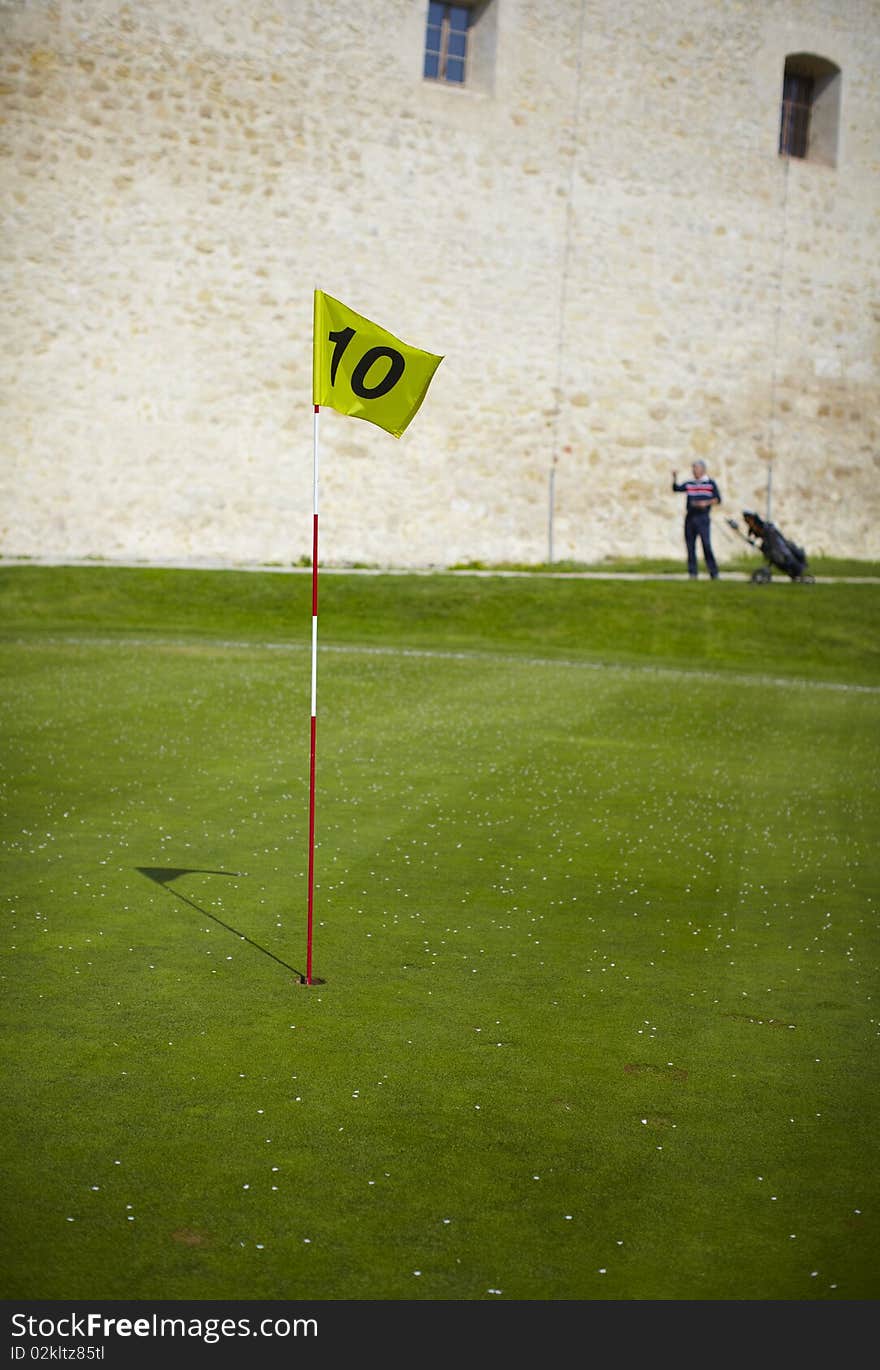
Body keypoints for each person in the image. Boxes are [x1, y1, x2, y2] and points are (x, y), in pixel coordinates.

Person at [672, 460, 722, 579]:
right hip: (690, 517)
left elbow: (718, 499)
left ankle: (713, 572)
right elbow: (676, 488)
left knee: (706, 545)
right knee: (690, 546)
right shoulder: (690, 483)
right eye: (693, 469)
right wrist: (674, 478)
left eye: (696, 468)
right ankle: (693, 573)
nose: (694, 471)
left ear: (703, 470)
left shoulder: (710, 483)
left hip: (703, 518)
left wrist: (706, 503)